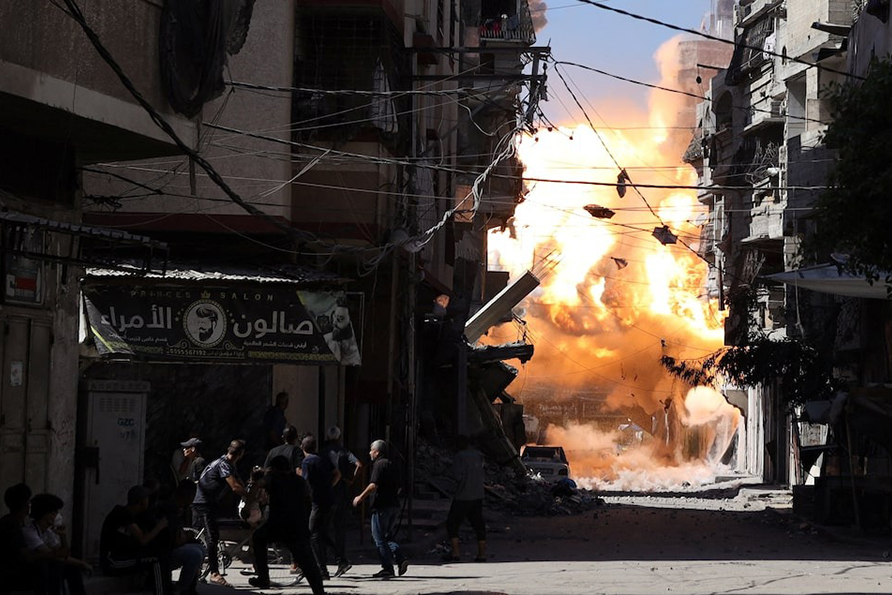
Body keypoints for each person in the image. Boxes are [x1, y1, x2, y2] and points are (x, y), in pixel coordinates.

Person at [247, 456, 325, 594]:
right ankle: (319, 591)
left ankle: (263, 578)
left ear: (274, 468)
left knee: (258, 538)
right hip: (298, 526)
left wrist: (248, 506)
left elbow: (257, 485)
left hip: (278, 525)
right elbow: (309, 499)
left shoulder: (272, 478)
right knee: (308, 562)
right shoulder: (300, 481)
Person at [192, 439, 249, 587]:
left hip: (209, 501)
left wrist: (247, 491)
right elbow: (235, 487)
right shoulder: (224, 464)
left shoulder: (229, 463)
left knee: (212, 534)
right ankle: (214, 573)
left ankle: (199, 569)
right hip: (204, 502)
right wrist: (252, 496)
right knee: (212, 537)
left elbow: (240, 483)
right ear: (241, 453)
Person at [352, 439, 407, 579]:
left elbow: (373, 485)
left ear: (377, 452)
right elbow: (400, 486)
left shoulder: (379, 465)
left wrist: (360, 497)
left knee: (379, 538)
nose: (369, 453)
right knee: (387, 535)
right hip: (394, 505)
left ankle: (387, 567)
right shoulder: (392, 464)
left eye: (371, 450)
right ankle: (400, 559)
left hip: (381, 506)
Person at [100, 486, 169, 594]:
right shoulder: (122, 513)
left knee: (158, 554)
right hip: (112, 562)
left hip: (123, 557)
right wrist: (159, 527)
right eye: (146, 499)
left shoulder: (134, 515)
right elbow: (143, 540)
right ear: (141, 502)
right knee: (155, 560)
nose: (148, 501)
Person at [24, 493, 90, 595]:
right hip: (30, 572)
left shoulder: (48, 532)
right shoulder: (30, 532)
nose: (57, 515)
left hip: (46, 569)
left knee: (72, 568)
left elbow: (64, 554)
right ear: (45, 514)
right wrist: (80, 563)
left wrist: (63, 536)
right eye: (54, 512)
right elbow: (54, 555)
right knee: (55, 565)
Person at [321, 425, 361, 577]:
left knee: (321, 528)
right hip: (341, 493)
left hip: (327, 493)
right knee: (339, 528)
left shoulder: (323, 452)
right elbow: (359, 465)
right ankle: (340, 559)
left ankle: (327, 561)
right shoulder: (344, 451)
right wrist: (351, 481)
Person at [301, 434, 340, 580]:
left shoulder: (307, 462)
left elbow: (304, 483)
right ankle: (340, 558)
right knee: (321, 533)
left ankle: (321, 569)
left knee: (312, 535)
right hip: (330, 499)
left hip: (318, 502)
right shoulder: (322, 458)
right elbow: (337, 474)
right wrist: (329, 486)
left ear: (302, 447)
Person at [444, 435, 487, 562]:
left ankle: (456, 553)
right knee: (478, 525)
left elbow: (457, 476)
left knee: (452, 524)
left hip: (463, 496)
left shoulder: (459, 457)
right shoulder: (480, 456)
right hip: (478, 495)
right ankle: (482, 554)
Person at [0, 483, 36, 593]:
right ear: (24, 505)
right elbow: (24, 554)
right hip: (9, 576)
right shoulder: (12, 524)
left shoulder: (11, 521)